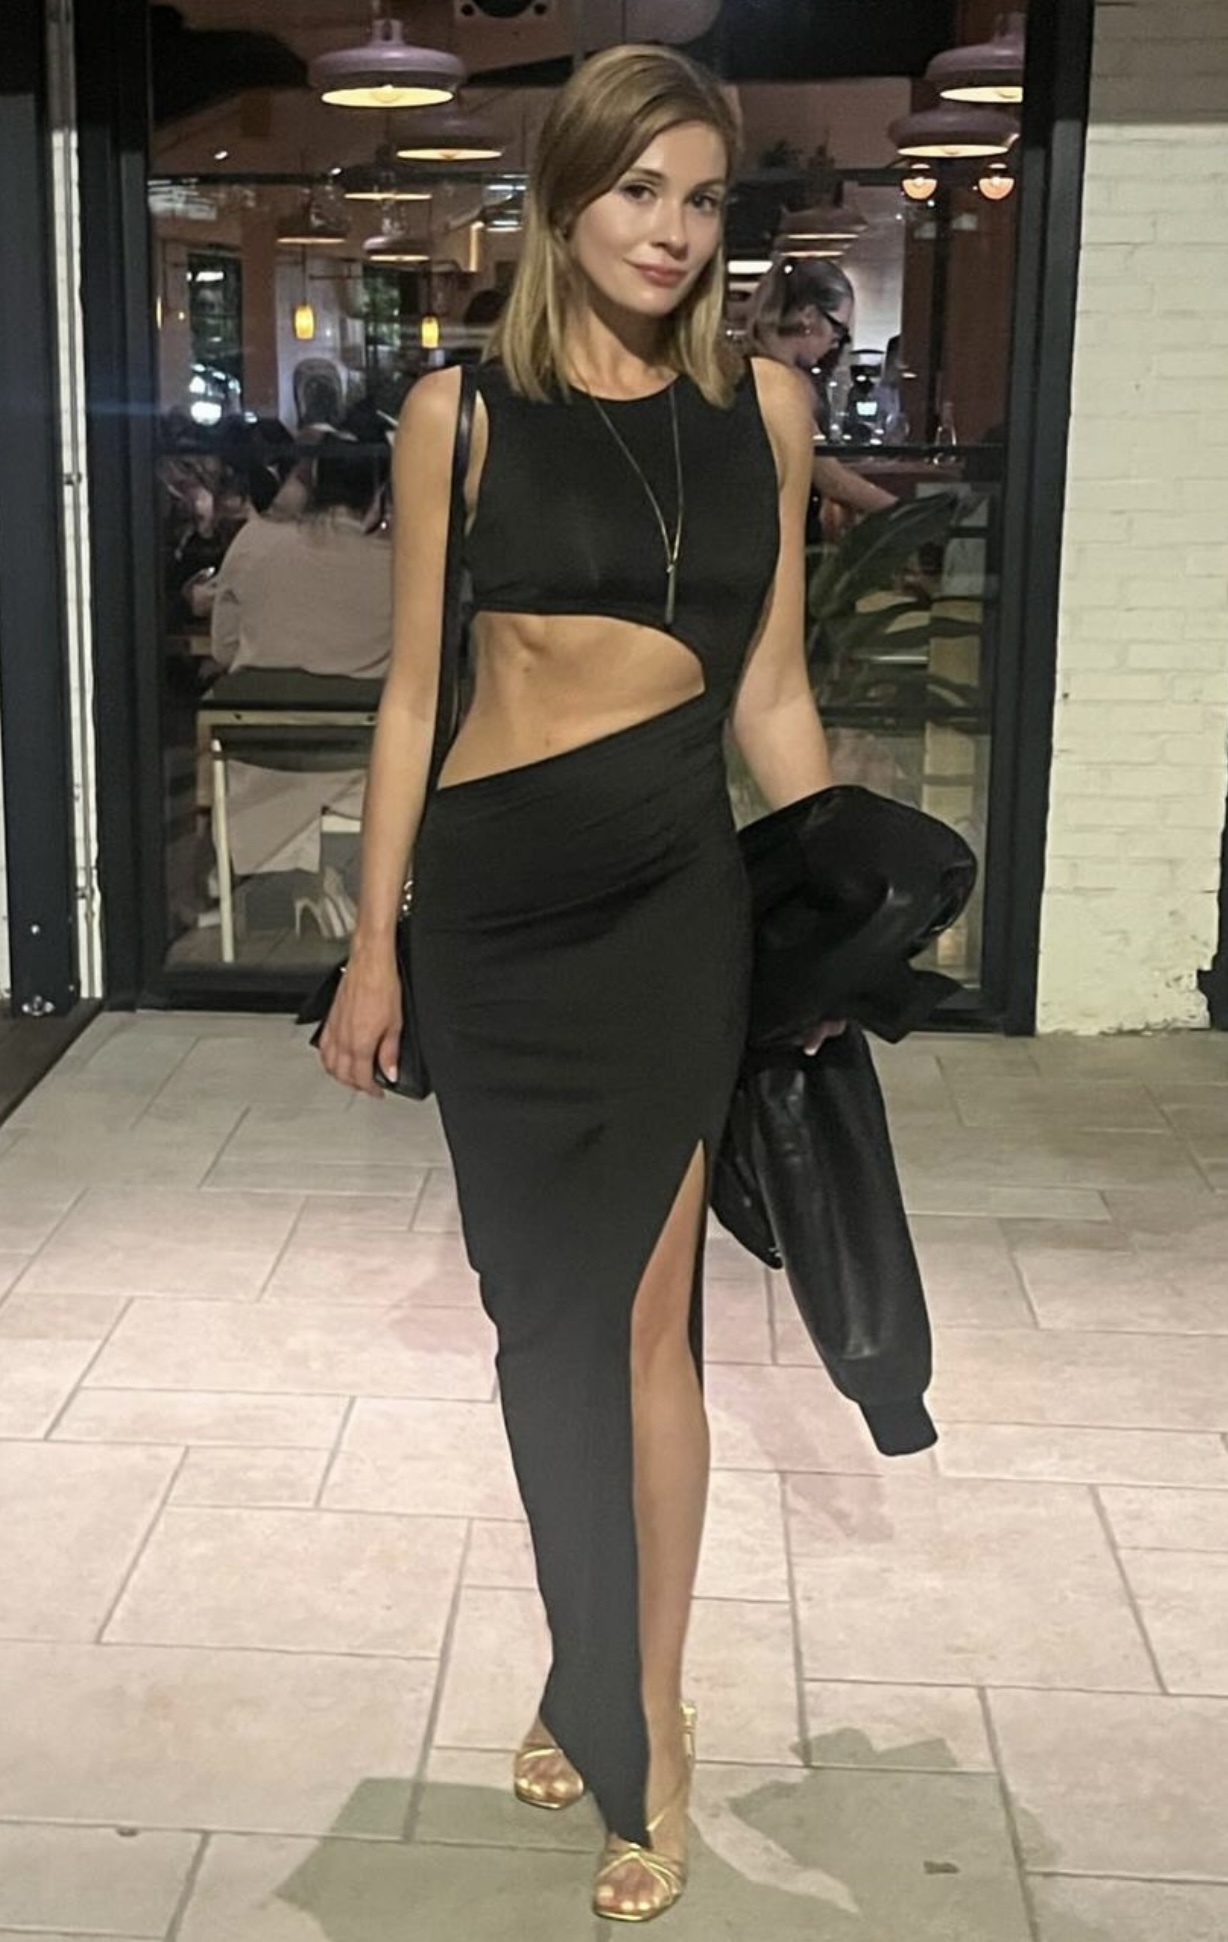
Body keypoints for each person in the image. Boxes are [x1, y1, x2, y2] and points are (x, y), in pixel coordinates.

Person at [317, 44, 844, 1922]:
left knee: (643, 1326)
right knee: (538, 1326)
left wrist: (832, 901)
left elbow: (770, 687)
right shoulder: (456, 414)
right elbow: (412, 696)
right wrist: (372, 942)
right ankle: (578, 1661)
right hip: (492, 912)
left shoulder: (764, 409)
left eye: (702, 201)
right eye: (640, 191)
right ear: (564, 199)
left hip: (667, 909)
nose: (673, 232)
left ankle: (646, 1722)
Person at [209, 419, 393, 934]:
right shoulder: (400, 565)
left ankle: (285, 891)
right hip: (359, 766)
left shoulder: (254, 544)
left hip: (260, 761)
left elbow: (223, 649)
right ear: (379, 494)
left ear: (309, 482)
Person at [744, 256, 896, 537]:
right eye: (838, 330)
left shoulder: (751, 368)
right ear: (809, 316)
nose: (836, 344)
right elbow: (830, 479)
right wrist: (906, 513)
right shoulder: (782, 383)